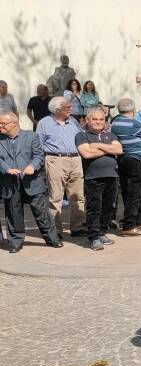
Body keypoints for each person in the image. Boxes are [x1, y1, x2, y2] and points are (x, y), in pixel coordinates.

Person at [0, 112, 61, 252]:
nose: (0, 126)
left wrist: (32, 166)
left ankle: (52, 239)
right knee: (13, 212)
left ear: (14, 123)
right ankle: (16, 241)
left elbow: (39, 155)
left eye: (3, 123)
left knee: (41, 212)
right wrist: (7, 168)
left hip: (32, 181)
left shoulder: (31, 136)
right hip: (10, 182)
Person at [74, 106, 123, 251]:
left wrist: (98, 146)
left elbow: (119, 150)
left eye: (101, 119)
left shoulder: (110, 135)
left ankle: (101, 232)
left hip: (112, 176)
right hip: (94, 177)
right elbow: (86, 154)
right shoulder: (82, 135)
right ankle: (94, 237)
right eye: (94, 119)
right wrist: (107, 149)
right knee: (94, 208)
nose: (98, 122)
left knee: (108, 207)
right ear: (87, 120)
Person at [36, 96, 85, 237]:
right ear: (56, 109)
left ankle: (78, 227)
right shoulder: (44, 123)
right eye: (67, 107)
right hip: (55, 159)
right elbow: (38, 144)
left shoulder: (73, 121)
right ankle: (55, 230)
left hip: (75, 159)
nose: (70, 108)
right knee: (55, 197)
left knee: (78, 196)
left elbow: (80, 137)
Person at [110, 98, 141, 235]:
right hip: (136, 160)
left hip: (123, 159)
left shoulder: (114, 122)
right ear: (133, 110)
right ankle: (129, 225)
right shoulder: (133, 123)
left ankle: (136, 221)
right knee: (136, 194)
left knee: (127, 192)